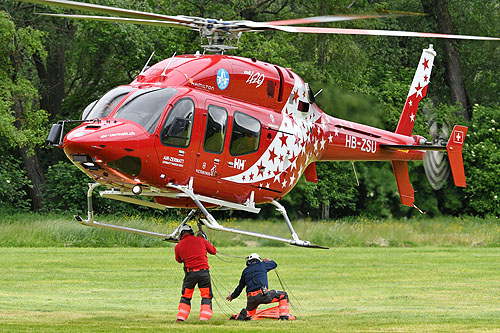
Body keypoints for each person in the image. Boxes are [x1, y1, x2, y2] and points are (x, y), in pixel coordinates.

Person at [226, 253, 290, 320]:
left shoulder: (245, 271)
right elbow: (274, 264)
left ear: (248, 261)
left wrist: (232, 296)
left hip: (250, 299)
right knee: (283, 295)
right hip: (262, 295)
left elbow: (240, 287)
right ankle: (284, 317)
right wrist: (268, 260)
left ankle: (243, 315)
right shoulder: (262, 265)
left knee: (250, 313)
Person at [174, 224, 217, 321]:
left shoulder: (178, 246)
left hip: (190, 274)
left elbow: (179, 260)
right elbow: (213, 251)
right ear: (191, 232)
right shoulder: (200, 240)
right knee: (206, 295)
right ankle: (204, 318)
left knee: (186, 296)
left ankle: (181, 317)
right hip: (204, 274)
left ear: (181, 235)